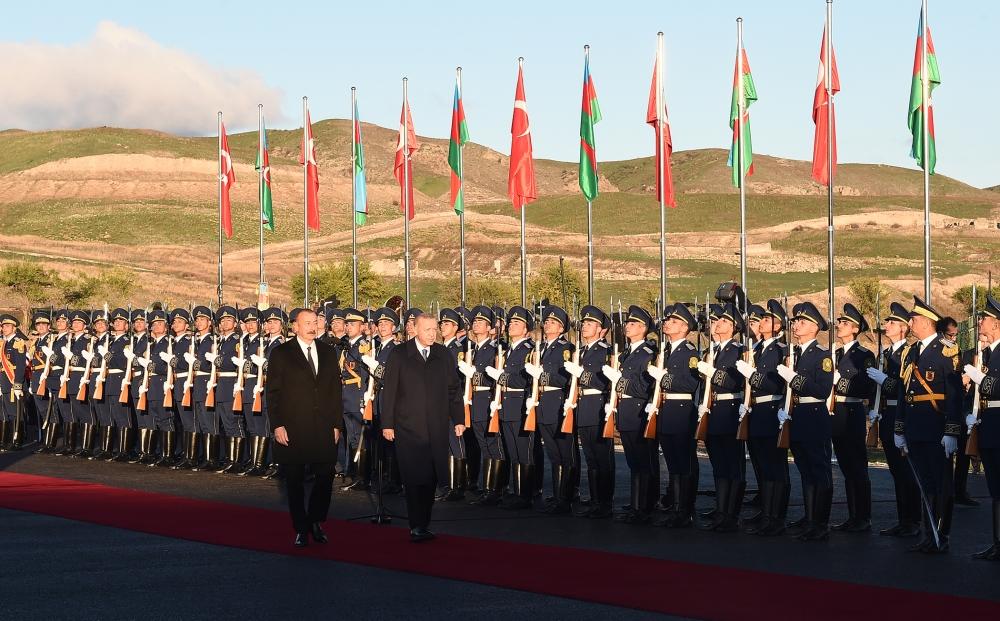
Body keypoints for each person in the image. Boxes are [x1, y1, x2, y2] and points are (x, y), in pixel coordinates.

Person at [380, 313, 466, 542]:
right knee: (414, 477)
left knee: (430, 477)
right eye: (426, 329)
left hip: (436, 426)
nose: (431, 333)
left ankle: (423, 523)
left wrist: (459, 419)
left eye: (434, 329)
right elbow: (389, 391)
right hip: (408, 426)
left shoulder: (443, 354)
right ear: (415, 330)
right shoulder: (400, 354)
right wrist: (387, 423)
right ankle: (416, 524)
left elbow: (454, 389)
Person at [266, 307, 343, 547]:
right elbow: (273, 393)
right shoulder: (281, 353)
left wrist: (336, 423)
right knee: (295, 479)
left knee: (325, 476)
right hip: (293, 425)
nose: (313, 326)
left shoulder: (328, 352)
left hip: (323, 426)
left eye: (315, 322)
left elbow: (334, 390)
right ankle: (300, 527)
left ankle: (316, 520)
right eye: (307, 322)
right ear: (295, 327)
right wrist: (277, 425)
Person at [893, 296, 963, 554]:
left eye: (913, 318)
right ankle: (927, 532)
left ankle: (940, 535)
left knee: (941, 483)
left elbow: (954, 394)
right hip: (915, 426)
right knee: (924, 482)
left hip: (936, 426)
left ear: (926, 322)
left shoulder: (947, 350)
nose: (910, 322)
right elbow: (905, 392)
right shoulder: (911, 351)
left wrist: (952, 430)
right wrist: (899, 428)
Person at [777, 301, 835, 542]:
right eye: (795, 321)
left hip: (814, 416)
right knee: (805, 471)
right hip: (798, 415)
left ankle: (820, 522)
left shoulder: (822, 355)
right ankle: (810, 517)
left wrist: (795, 379)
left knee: (819, 470)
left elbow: (822, 391)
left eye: (801, 321)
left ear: (814, 327)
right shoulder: (794, 354)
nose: (795, 325)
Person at [736, 299, 791, 536]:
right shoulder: (757, 349)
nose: (762, 322)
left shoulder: (782, 350)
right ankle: (766, 511)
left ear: (778, 326)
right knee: (763, 466)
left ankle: (776, 516)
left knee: (775, 467)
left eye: (768, 319)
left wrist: (754, 376)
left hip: (771, 411)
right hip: (755, 411)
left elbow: (776, 384)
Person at [646, 303, 702, 529]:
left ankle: (684, 510)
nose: (667, 323)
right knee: (672, 463)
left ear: (684, 327)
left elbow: (690, 383)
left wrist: (664, 378)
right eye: (667, 320)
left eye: (673, 321)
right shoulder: (665, 351)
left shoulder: (689, 352)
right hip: (666, 410)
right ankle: (676, 506)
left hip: (681, 410)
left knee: (684, 462)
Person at [867, 302, 920, 537]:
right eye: (886, 321)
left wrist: (884, 381)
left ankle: (913, 520)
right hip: (886, 415)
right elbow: (875, 388)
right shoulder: (885, 354)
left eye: (891, 322)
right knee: (896, 472)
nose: (886, 325)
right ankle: (903, 519)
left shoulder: (909, 353)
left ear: (902, 328)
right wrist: (874, 407)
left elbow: (904, 386)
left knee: (906, 471)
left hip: (902, 416)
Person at [602, 305, 657, 525]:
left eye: (633, 323)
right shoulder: (626, 354)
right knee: (634, 462)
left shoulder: (647, 353)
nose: (628, 326)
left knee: (644, 461)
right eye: (628, 323)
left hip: (638, 411)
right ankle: (637, 504)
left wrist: (620, 381)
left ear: (643, 328)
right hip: (625, 411)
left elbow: (644, 387)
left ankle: (645, 506)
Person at [564, 305, 614, 519]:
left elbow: (604, 383)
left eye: (590, 323)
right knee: (590, 458)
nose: (584, 326)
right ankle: (594, 500)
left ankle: (604, 502)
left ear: (601, 330)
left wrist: (582, 375)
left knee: (603, 457)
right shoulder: (581, 351)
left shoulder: (606, 351)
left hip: (597, 405)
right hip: (583, 405)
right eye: (583, 323)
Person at [830, 303, 877, 533]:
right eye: (840, 322)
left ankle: (863, 516)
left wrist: (839, 381)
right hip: (836, 413)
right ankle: (852, 515)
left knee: (858, 466)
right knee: (846, 467)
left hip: (852, 411)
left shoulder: (864, 355)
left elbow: (866, 386)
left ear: (855, 329)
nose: (840, 326)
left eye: (845, 323)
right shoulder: (835, 353)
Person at [962, 295, 1000, 560]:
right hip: (989, 424)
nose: (981, 321)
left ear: (997, 324)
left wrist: (981, 379)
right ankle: (997, 541)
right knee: (995, 489)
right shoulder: (990, 352)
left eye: (985, 318)